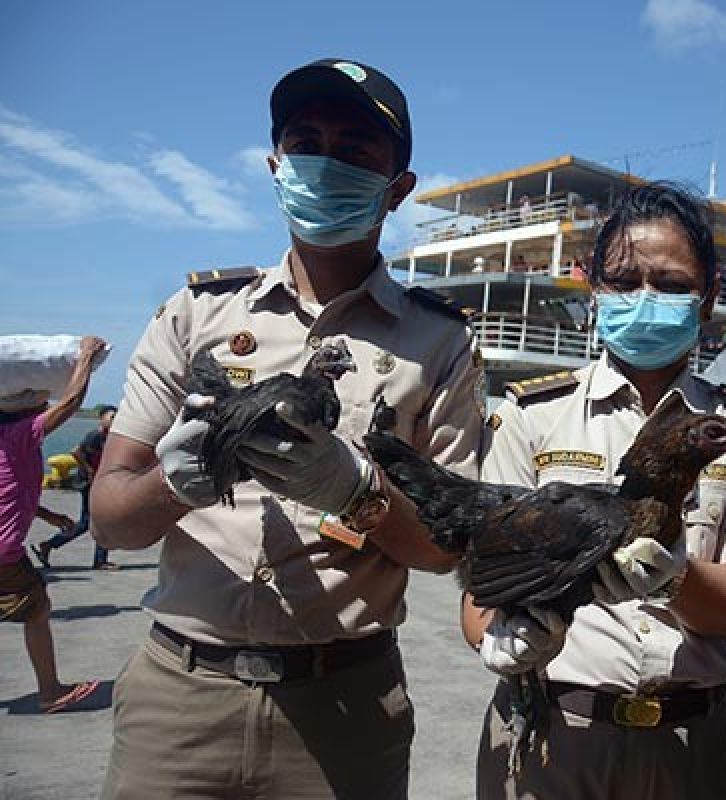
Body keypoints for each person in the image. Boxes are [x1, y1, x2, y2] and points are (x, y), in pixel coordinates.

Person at [90, 59, 484, 799]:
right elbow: (110, 520)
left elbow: (446, 548)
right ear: (275, 166)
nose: (324, 164)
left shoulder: (441, 344)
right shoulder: (197, 312)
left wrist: (357, 490)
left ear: (397, 190)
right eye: (306, 142)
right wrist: (177, 483)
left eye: (355, 152)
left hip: (346, 706)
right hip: (178, 695)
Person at [463, 182, 726, 799]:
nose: (645, 298)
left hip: (690, 744)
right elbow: (480, 597)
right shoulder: (531, 415)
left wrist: (672, 576)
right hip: (550, 735)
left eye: (670, 285)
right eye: (622, 280)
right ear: (594, 290)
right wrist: (508, 637)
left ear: (709, 299)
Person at [1, 335, 107, 713]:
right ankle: (50, 692)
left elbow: (12, 491)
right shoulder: (19, 436)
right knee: (37, 610)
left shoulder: (8, 442)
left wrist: (47, 516)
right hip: (3, 554)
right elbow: (71, 404)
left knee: (34, 607)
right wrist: (85, 359)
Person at [32, 404, 118, 570]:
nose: (114, 419)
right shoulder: (96, 435)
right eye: (111, 416)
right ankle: (98, 560)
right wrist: (89, 470)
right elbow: (76, 452)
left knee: (92, 522)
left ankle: (50, 545)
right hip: (88, 483)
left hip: (99, 483)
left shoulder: (111, 437)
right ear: (102, 419)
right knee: (94, 521)